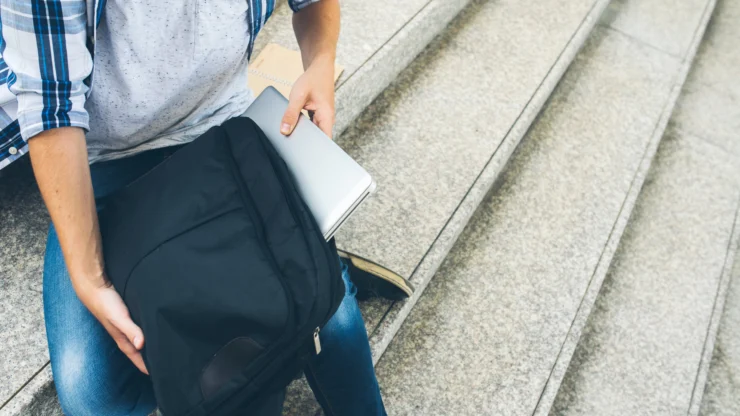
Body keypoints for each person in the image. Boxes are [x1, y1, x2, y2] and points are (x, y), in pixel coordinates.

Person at [0, 0, 386, 414]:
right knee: (90, 389)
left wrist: (320, 63)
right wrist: (90, 279)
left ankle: (318, 263)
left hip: (226, 130)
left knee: (337, 323)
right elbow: (50, 104)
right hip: (104, 160)